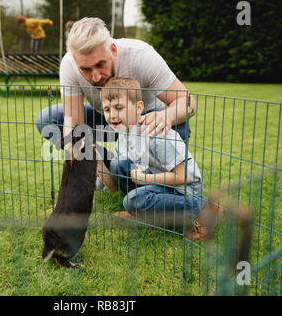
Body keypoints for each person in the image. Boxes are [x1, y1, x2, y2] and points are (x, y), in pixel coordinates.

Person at [36, 17, 197, 159]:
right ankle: (109, 169)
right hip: (105, 122)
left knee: (178, 124)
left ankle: (150, 171)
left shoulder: (141, 55)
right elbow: (74, 125)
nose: (96, 77)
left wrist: (167, 116)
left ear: (113, 50)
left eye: (100, 64)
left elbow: (187, 102)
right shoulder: (69, 64)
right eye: (85, 69)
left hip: (144, 124)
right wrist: (79, 155)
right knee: (49, 119)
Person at [97, 77, 211, 238]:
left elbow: (183, 177)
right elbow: (114, 187)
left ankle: (204, 207)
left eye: (119, 108)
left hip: (182, 189)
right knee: (119, 164)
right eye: (108, 110)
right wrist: (96, 162)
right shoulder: (122, 135)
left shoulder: (156, 134)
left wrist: (144, 179)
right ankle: (141, 211)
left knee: (133, 200)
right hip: (154, 182)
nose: (113, 115)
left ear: (138, 108)